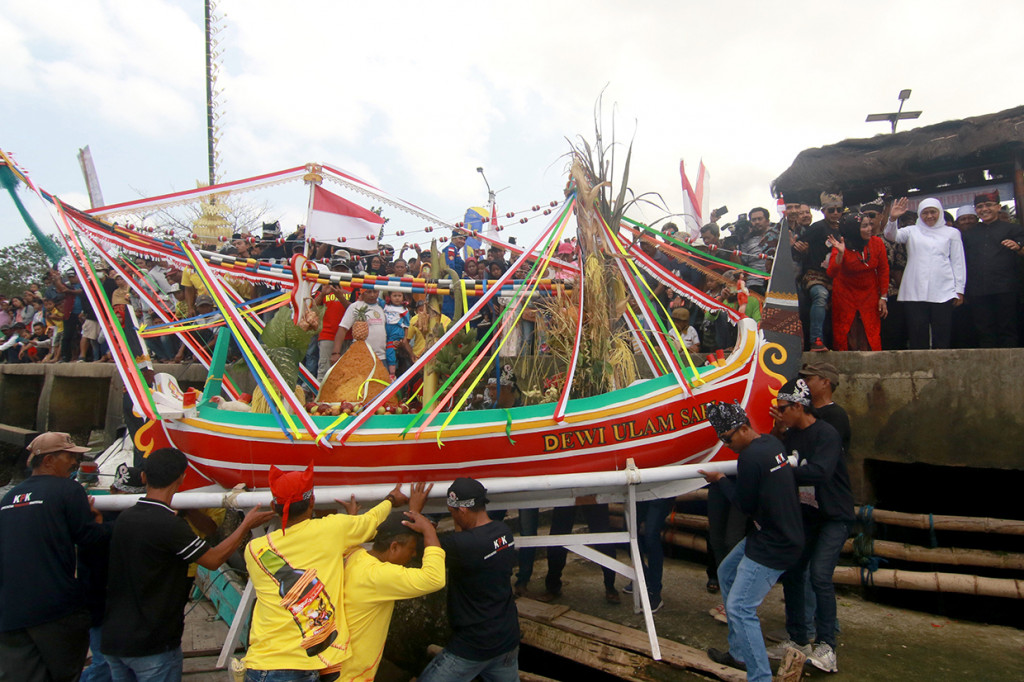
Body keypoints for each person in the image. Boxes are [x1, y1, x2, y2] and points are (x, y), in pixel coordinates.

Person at [101, 448, 274, 682]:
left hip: (114, 640)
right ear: (182, 477)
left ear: (143, 477)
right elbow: (213, 560)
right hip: (152, 644)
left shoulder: (125, 518)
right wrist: (246, 525)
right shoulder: (169, 526)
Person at [243, 463, 409, 681]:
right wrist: (390, 500)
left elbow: (283, 566)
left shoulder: (254, 550)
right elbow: (370, 521)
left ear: (274, 507)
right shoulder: (332, 529)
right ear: (312, 502)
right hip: (299, 667)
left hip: (259, 665)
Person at [699, 402, 804, 682]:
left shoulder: (749, 458)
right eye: (721, 440)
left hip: (774, 542)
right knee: (725, 572)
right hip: (775, 532)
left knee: (740, 608)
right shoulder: (771, 443)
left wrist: (721, 479)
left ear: (744, 428)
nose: (727, 445)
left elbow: (743, 504)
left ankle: (759, 677)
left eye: (729, 438)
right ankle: (739, 654)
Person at [0, 432, 109, 682]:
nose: (75, 463)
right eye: (69, 456)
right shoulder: (68, 490)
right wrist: (114, 525)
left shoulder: (8, 498)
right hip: (55, 610)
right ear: (48, 460)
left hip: (10, 612)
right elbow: (90, 538)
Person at [769, 379, 854, 674]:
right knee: (792, 571)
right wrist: (778, 432)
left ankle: (827, 646)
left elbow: (819, 472)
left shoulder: (826, 434)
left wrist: (782, 475)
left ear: (797, 406)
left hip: (834, 516)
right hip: (808, 515)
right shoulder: (791, 435)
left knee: (819, 575)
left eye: (782, 409)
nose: (778, 413)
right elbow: (776, 458)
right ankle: (797, 639)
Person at [337, 483, 445, 681]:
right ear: (394, 547)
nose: (413, 555)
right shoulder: (379, 576)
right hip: (353, 675)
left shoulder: (353, 555)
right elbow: (434, 578)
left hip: (336, 666)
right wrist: (429, 531)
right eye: (411, 549)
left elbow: (351, 536)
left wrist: (410, 510)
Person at [417, 478, 518, 682]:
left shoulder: (462, 546)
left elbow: (423, 549)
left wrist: (417, 513)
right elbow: (470, 543)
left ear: (462, 511)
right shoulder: (504, 533)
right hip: (507, 638)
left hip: (473, 646)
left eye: (452, 512)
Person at [884, 197, 966, 349]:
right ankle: (920, 366)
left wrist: (959, 289)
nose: (929, 216)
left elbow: (958, 262)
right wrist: (893, 218)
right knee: (917, 331)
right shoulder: (912, 231)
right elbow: (891, 236)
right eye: (925, 213)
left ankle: (941, 364)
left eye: (933, 212)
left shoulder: (952, 233)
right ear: (920, 215)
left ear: (940, 212)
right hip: (915, 288)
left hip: (943, 288)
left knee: (942, 331)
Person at [960, 189, 1024, 347]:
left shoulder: (1013, 229)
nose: (984, 209)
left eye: (988, 205)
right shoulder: (969, 234)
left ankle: (1009, 366)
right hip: (977, 290)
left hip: (1006, 288)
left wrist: (1018, 247)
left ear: (998, 206)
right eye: (980, 206)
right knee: (984, 330)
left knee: (1008, 328)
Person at [826, 214, 889, 351]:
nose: (869, 229)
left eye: (870, 225)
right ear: (853, 229)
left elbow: (883, 270)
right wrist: (841, 254)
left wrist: (883, 297)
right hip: (845, 294)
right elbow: (831, 273)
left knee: (869, 332)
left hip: (869, 294)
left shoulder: (877, 243)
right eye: (864, 226)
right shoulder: (841, 244)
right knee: (847, 331)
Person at [795, 192, 845, 352]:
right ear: (823, 211)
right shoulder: (817, 227)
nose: (836, 213)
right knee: (820, 295)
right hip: (814, 274)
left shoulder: (845, 228)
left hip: (838, 277)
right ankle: (816, 340)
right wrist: (802, 250)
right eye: (831, 210)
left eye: (839, 209)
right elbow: (796, 248)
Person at [335, 288, 386, 362]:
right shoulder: (355, 306)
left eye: (375, 292)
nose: (372, 295)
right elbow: (343, 328)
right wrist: (336, 352)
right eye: (368, 292)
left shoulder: (382, 307)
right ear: (362, 292)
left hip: (381, 356)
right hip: (360, 356)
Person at [382, 291, 411, 379]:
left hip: (396, 332)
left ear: (403, 297)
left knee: (390, 351)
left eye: (399, 296)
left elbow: (406, 326)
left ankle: (392, 374)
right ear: (389, 297)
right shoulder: (385, 306)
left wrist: (405, 338)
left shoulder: (404, 310)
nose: (397, 298)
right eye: (394, 296)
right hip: (385, 331)